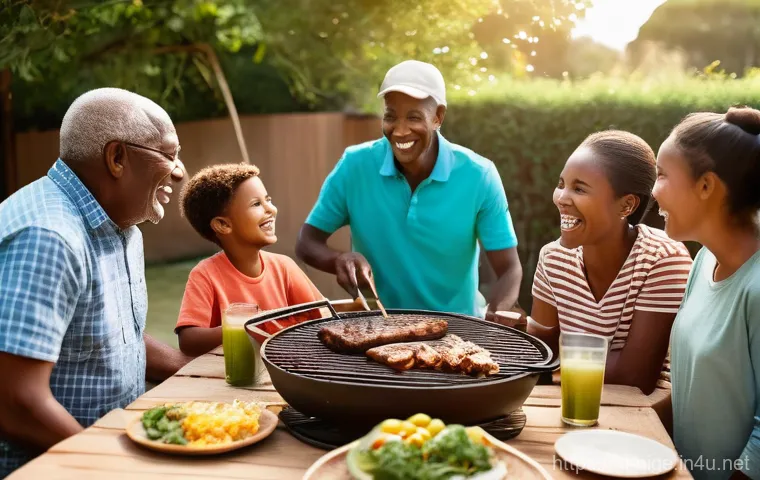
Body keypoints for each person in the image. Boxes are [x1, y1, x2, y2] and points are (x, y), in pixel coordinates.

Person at [0, 88, 192, 477]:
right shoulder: (48, 237)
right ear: (117, 157)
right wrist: (112, 468)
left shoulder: (118, 225)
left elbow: (104, 336)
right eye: (169, 155)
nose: (179, 170)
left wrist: (190, 369)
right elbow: (14, 402)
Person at [295, 60, 522, 320]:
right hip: (380, 329)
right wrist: (337, 260)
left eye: (414, 117)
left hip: (460, 331)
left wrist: (497, 316)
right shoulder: (354, 166)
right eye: (391, 116)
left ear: (438, 117)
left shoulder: (479, 175)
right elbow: (307, 242)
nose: (400, 130)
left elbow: (509, 268)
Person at [527, 130, 693, 395]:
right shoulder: (553, 258)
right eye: (561, 184)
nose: (562, 198)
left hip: (643, 414)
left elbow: (635, 377)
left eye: (579, 188)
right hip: (573, 401)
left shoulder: (662, 259)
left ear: (626, 206)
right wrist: (518, 335)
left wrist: (554, 365)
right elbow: (540, 357)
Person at [652, 106, 760, 479]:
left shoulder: (757, 288)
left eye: (662, 175)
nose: (653, 191)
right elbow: (690, 388)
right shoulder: (702, 261)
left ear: (706, 185)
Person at [175, 163, 325, 355]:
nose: (271, 209)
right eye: (256, 204)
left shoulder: (284, 266)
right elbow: (189, 340)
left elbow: (322, 314)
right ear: (222, 224)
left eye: (268, 200)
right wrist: (248, 325)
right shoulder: (205, 274)